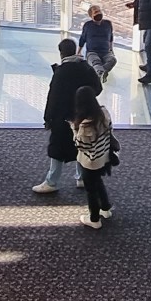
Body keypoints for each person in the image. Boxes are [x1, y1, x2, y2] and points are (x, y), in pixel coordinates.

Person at [36, 38, 101, 194]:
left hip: (63, 117)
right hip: (83, 115)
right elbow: (98, 88)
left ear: (61, 53)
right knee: (82, 146)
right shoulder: (86, 68)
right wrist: (84, 99)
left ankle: (52, 182)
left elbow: (53, 97)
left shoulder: (61, 72)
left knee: (57, 148)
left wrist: (48, 118)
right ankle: (82, 177)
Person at [72, 85, 116, 228]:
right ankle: (105, 208)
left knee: (91, 190)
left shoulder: (85, 125)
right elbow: (110, 130)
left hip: (90, 161)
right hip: (104, 156)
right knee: (98, 182)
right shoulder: (103, 112)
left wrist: (74, 130)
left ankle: (94, 219)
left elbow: (81, 146)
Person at [79, 5, 116, 81]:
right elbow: (82, 39)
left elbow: (111, 38)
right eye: (96, 12)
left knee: (113, 60)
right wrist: (78, 52)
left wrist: (111, 50)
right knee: (95, 62)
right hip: (92, 52)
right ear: (91, 16)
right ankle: (101, 74)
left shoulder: (108, 24)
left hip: (106, 52)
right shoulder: (88, 25)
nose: (99, 13)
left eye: (99, 11)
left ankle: (101, 73)